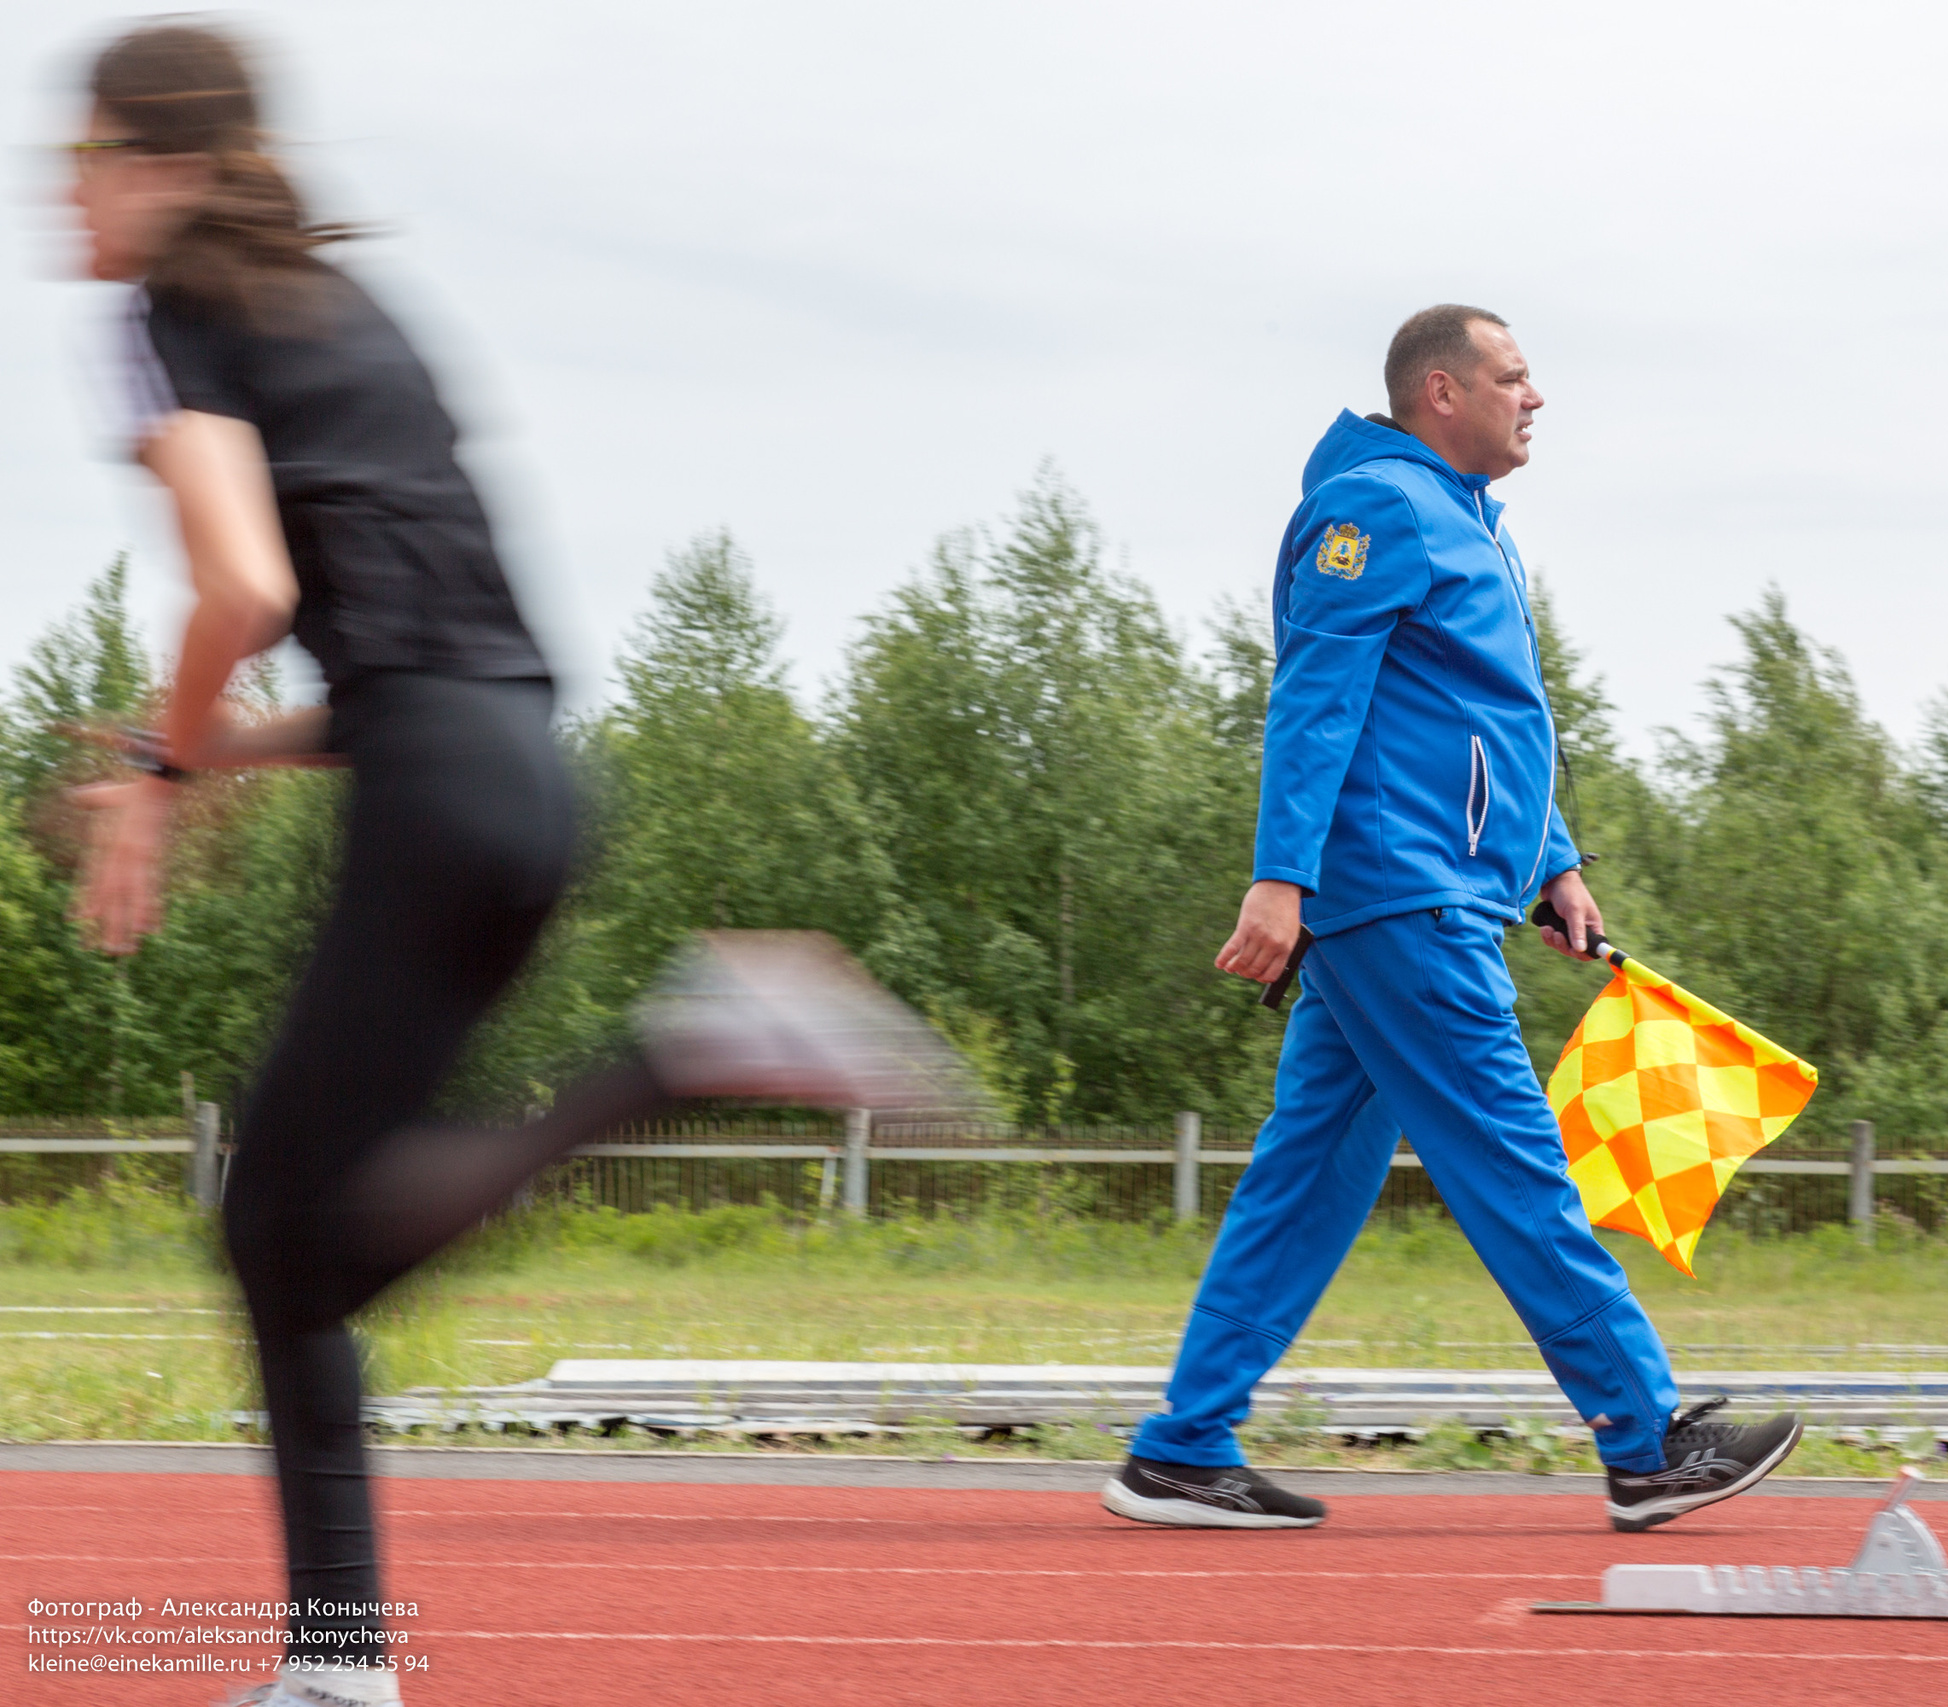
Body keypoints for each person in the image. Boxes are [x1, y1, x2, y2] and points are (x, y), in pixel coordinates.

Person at [58, 23, 947, 1706]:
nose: (66, 203)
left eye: (88, 161)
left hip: (439, 799)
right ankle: (339, 1668)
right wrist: (222, 747)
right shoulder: (348, 310)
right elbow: (409, 661)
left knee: (276, 1234)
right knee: (299, 1241)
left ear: (170, 164)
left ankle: (340, 1664)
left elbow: (240, 588)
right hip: (518, 784)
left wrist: (173, 767)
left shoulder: (173, 311)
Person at [1102, 305, 1802, 1534]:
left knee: (1312, 1170)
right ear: (1441, 390)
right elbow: (1315, 700)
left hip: (1426, 891)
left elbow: (1482, 721)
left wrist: (1551, 864)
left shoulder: (1470, 524)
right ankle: (1643, 1442)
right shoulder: (1375, 509)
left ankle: (1181, 1444)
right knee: (1514, 1160)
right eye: (1515, 377)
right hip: (1397, 898)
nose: (1536, 398)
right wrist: (1280, 880)